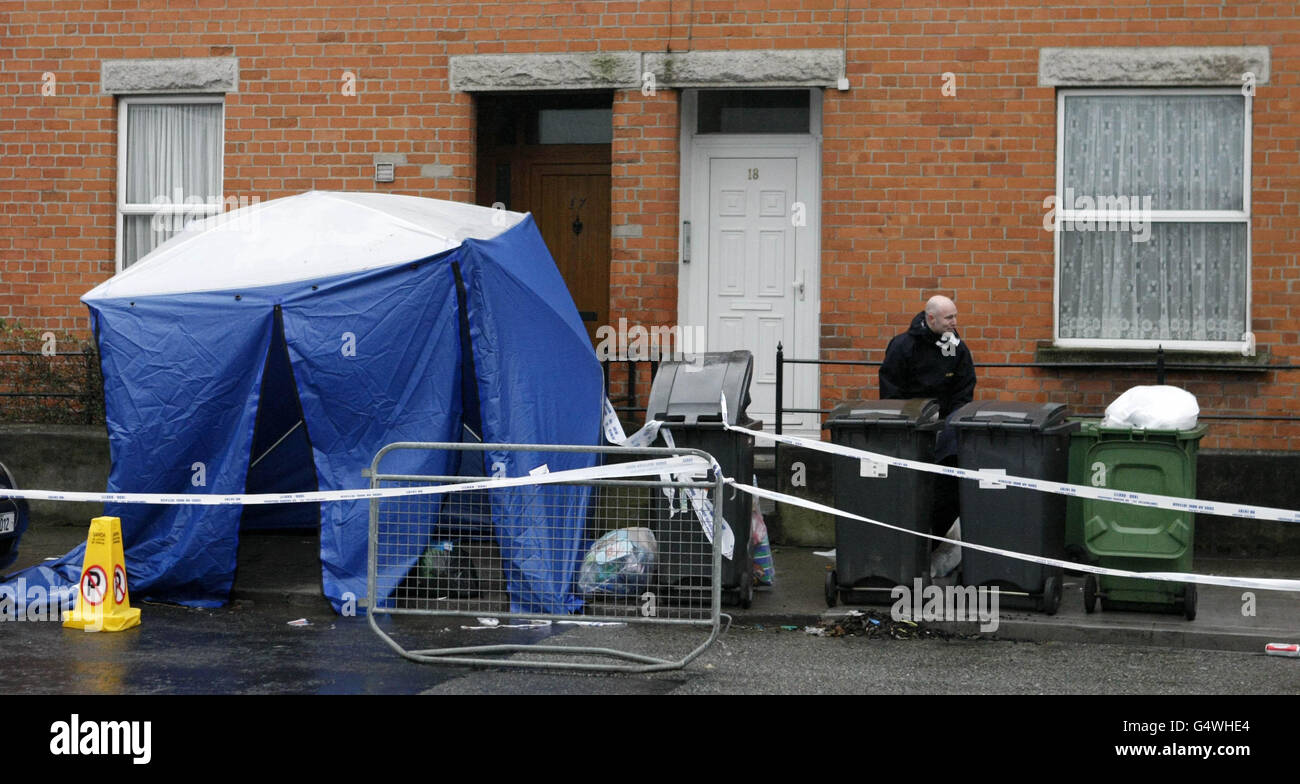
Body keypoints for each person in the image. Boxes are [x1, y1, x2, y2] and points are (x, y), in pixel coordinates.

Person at [879, 295, 975, 542]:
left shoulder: (955, 347)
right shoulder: (903, 346)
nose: (955, 322)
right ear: (931, 318)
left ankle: (932, 539)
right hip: (910, 429)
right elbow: (890, 391)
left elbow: (964, 388)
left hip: (946, 429)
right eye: (949, 317)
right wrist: (911, 422)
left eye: (955, 316)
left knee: (947, 485)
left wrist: (949, 422)